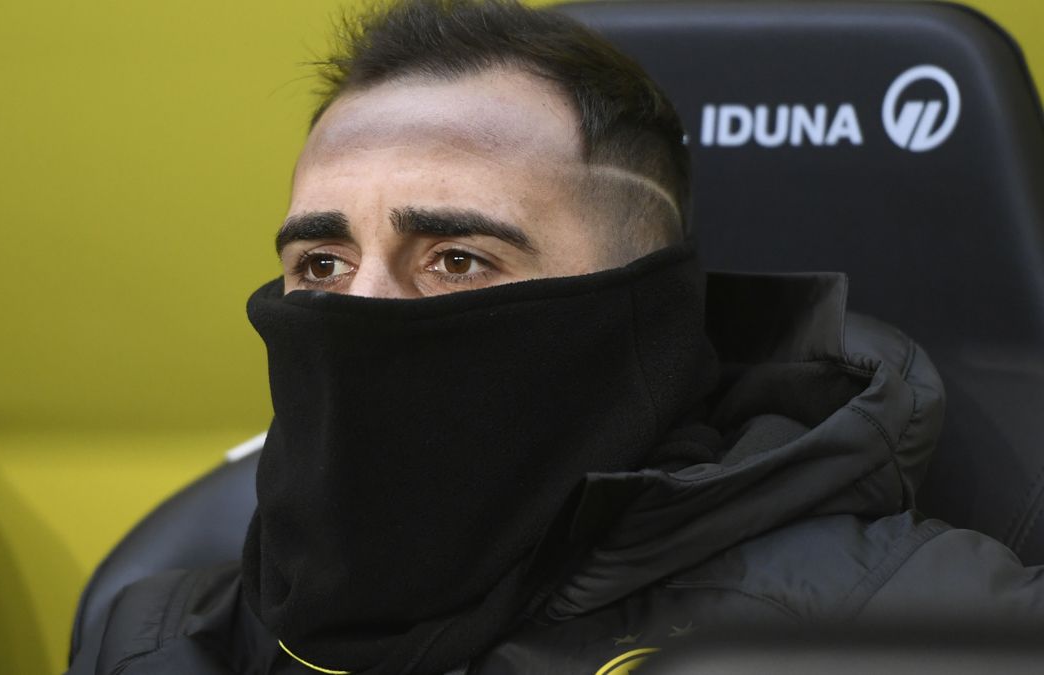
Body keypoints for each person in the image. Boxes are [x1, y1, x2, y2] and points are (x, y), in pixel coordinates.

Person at [67, 1, 1044, 673]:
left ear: (638, 310)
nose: (357, 310)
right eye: (320, 264)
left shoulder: (912, 630)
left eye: (456, 259)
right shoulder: (156, 637)